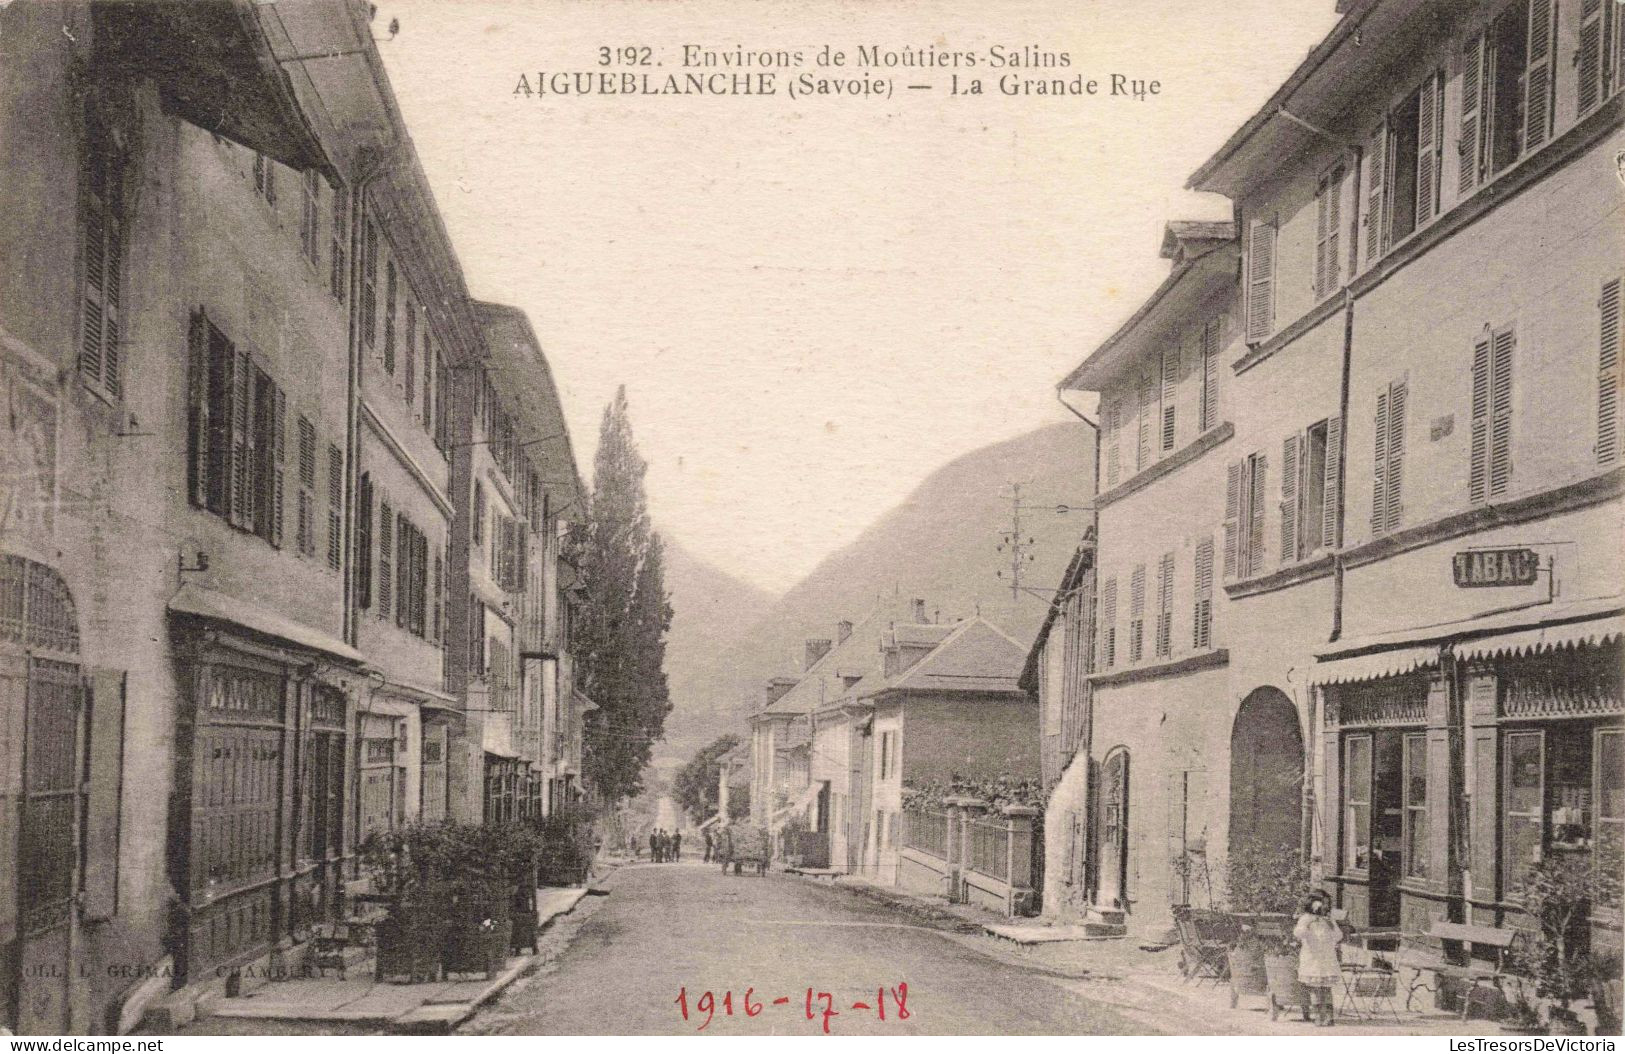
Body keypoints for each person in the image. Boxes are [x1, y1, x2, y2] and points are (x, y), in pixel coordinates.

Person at [1294, 890, 1343, 1027]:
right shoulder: (1306, 918)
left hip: (1327, 958)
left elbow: (1338, 937)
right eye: (1323, 904)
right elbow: (1298, 934)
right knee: (1315, 988)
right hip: (1312, 957)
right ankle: (1319, 1016)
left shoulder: (1329, 920)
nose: (1325, 907)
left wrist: (1331, 925)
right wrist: (1309, 923)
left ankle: (1329, 1016)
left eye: (1327, 904)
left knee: (1326, 988)